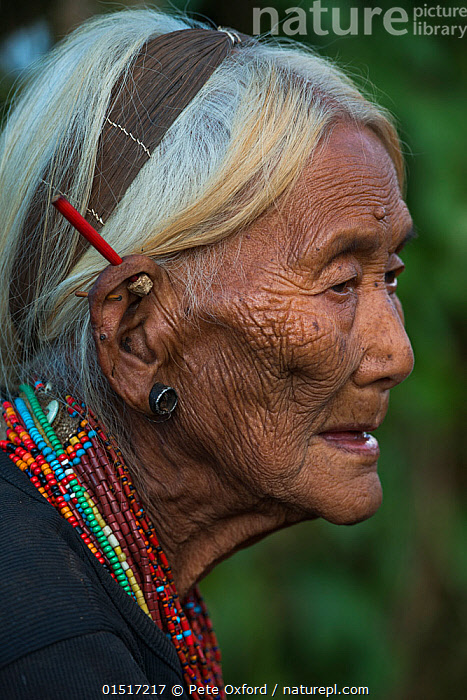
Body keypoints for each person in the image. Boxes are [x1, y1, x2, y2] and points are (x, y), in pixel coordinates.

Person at [0, 8, 415, 699]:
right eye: (340, 283)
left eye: (389, 278)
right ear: (135, 335)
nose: (394, 353)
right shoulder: (51, 649)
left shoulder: (100, 593)